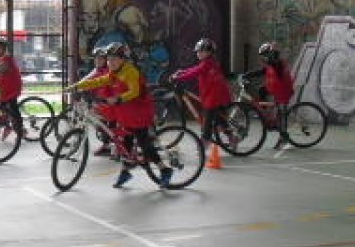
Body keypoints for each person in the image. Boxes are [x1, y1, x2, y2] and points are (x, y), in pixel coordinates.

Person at [70, 43, 172, 188]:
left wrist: (118, 98)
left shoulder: (130, 72)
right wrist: (76, 86)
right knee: (125, 143)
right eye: (108, 59)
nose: (110, 62)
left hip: (139, 112)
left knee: (144, 143)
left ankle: (164, 169)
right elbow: (99, 80)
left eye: (114, 59)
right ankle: (125, 172)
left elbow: (134, 91)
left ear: (123, 59)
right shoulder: (114, 73)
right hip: (126, 112)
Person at [171, 38, 233, 145]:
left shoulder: (208, 63)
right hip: (213, 96)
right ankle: (232, 137)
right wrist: (182, 71)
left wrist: (178, 77)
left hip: (214, 97)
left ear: (209, 52)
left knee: (207, 119)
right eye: (197, 51)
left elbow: (195, 72)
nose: (198, 53)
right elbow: (195, 69)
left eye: (201, 51)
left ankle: (205, 141)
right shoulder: (208, 62)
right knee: (218, 117)